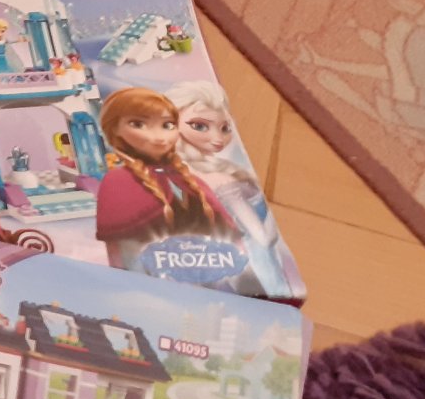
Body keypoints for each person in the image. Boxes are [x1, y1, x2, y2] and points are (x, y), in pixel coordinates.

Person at [95, 87, 239, 272]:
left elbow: (232, 241)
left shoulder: (187, 178)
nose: (159, 137)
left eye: (167, 125)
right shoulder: (118, 181)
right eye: (138, 124)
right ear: (115, 129)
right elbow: (121, 256)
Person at [167, 79, 290, 296]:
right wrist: (276, 213)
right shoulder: (221, 180)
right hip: (261, 271)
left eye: (225, 128)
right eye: (199, 126)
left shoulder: (182, 175)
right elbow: (264, 239)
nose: (218, 139)